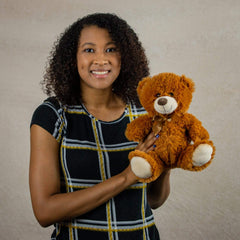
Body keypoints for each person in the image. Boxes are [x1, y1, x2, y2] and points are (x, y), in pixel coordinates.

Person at [29, 13, 171, 240]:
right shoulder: (53, 115)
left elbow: (153, 200)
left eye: (111, 49)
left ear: (125, 56)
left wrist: (167, 164)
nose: (101, 60)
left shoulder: (144, 111)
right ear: (72, 58)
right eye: (89, 50)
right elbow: (44, 212)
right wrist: (126, 177)